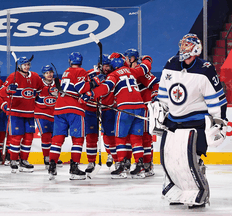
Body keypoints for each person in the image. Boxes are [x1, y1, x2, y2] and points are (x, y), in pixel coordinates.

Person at [154, 33, 227, 208]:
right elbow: (163, 93)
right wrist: (159, 111)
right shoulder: (171, 63)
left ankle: (197, 194)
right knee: (170, 159)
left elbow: (216, 99)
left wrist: (219, 121)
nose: (183, 48)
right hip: (173, 121)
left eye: (187, 45)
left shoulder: (205, 69)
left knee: (192, 160)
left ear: (196, 48)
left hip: (196, 122)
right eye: (182, 44)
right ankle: (177, 192)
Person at [80, 54, 153, 179]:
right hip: (140, 107)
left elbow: (106, 88)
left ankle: (122, 167)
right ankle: (140, 167)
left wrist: (90, 94)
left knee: (120, 138)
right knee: (136, 139)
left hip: (125, 108)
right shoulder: (131, 71)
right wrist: (147, 59)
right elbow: (145, 68)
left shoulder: (114, 75)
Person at [48, 52, 91, 180]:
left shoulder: (67, 71)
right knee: (77, 140)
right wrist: (93, 84)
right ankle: (74, 169)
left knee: (57, 140)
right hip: (74, 109)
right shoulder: (81, 71)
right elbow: (81, 87)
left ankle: (52, 166)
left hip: (60, 108)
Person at [0, 56, 44, 173]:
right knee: (16, 138)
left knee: (28, 138)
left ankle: (24, 160)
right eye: (24, 65)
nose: (27, 67)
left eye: (28, 64)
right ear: (19, 66)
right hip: (16, 112)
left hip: (29, 113)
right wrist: (8, 89)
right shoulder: (13, 76)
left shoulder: (35, 76)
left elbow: (41, 90)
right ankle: (13, 160)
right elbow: (1, 91)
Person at [124, 48, 159, 177]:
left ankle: (147, 165)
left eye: (127, 58)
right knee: (136, 137)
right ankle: (143, 164)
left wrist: (154, 97)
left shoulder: (142, 71)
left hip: (145, 107)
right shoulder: (131, 71)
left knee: (145, 137)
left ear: (132, 59)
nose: (126, 61)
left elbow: (156, 84)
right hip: (136, 107)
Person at [34, 65, 62, 169]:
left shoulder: (59, 82)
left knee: (56, 137)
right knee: (46, 136)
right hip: (41, 113)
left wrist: (58, 95)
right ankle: (46, 157)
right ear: (43, 74)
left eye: (50, 72)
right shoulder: (39, 84)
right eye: (46, 73)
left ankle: (53, 157)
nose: (49, 74)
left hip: (56, 113)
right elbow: (32, 97)